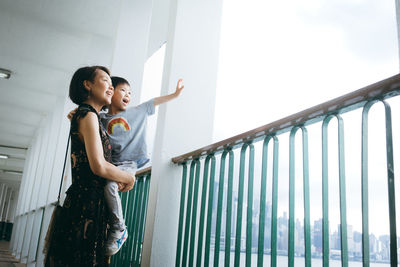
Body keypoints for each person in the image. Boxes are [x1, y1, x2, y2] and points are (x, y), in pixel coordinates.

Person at [45, 66, 135, 267]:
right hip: (86, 205)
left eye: (112, 84)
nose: (111, 87)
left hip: (85, 203)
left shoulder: (85, 115)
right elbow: (99, 166)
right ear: (87, 84)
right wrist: (128, 177)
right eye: (105, 80)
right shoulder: (88, 115)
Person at [100, 76, 184, 255]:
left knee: (110, 187)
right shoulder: (101, 118)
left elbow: (155, 101)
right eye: (123, 90)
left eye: (130, 92)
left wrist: (175, 94)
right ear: (110, 92)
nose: (127, 94)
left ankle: (120, 229)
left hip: (128, 164)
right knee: (101, 186)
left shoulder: (136, 111)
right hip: (111, 164)